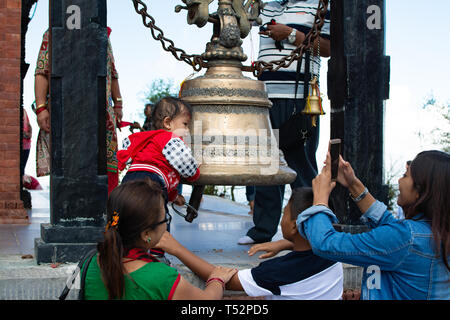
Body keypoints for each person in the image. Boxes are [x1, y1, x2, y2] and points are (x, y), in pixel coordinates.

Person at [295, 149, 450, 299]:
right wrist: (353, 183)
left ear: (421, 191)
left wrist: (320, 200)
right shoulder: (435, 233)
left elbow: (325, 243)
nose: (399, 180)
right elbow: (388, 224)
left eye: (405, 175)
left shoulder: (406, 238)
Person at [239, 0, 331, 245]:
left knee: (300, 164)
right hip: (264, 97)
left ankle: (312, 231)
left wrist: (290, 34)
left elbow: (327, 47)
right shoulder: (266, 6)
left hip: (299, 98)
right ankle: (262, 231)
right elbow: (241, 26)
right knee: (266, 165)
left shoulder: (319, 5)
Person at [157, 187, 343, 300]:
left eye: (285, 211)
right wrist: (286, 243)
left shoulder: (277, 271)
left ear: (295, 227)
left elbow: (227, 280)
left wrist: (177, 248)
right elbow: (312, 245)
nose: (282, 217)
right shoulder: (336, 253)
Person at [82, 179, 237, 300]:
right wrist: (217, 280)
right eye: (165, 218)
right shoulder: (161, 277)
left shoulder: (90, 264)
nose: (166, 223)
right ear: (146, 234)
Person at [34, 27, 124, 194]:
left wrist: (118, 103)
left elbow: (112, 71)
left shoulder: (101, 33)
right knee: (69, 164)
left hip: (102, 112)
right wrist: (41, 108)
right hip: (67, 110)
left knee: (105, 168)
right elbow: (42, 70)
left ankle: (109, 216)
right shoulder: (54, 32)